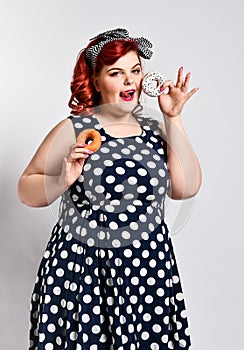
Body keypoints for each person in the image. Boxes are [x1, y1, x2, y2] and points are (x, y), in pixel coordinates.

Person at [18, 28, 202, 350]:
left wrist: (173, 117)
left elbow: (185, 188)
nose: (130, 81)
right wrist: (63, 180)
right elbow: (25, 188)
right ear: (97, 80)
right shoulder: (74, 128)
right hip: (83, 266)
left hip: (146, 268)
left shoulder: (155, 130)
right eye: (116, 73)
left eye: (135, 70)